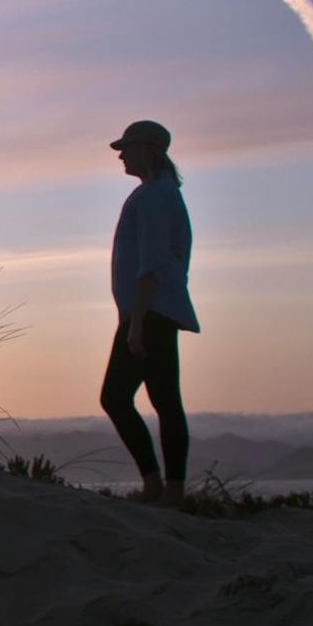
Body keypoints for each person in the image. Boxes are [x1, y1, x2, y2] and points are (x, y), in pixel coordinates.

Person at [101, 120, 199, 507]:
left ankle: (158, 485)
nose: (122, 155)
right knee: (164, 399)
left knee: (116, 397)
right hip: (156, 311)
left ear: (147, 150)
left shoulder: (154, 197)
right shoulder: (160, 194)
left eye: (127, 148)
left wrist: (136, 321)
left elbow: (152, 263)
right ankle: (169, 488)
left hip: (150, 313)